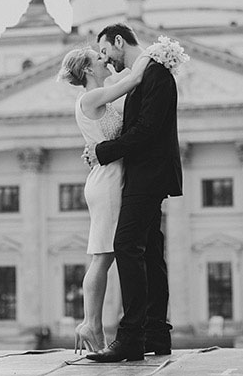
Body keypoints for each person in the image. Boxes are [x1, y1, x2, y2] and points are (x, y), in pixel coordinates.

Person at [84, 23, 182, 363]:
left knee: (127, 245)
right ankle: (156, 334)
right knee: (151, 252)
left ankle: (130, 338)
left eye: (105, 51)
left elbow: (146, 131)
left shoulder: (155, 75)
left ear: (119, 41)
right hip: (146, 172)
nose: (106, 60)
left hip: (147, 174)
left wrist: (103, 151)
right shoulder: (151, 73)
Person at [58, 45, 150, 355]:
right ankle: (90, 323)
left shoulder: (100, 92)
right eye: (100, 58)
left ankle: (92, 324)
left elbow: (123, 77)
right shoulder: (90, 97)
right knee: (103, 255)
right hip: (107, 182)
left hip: (110, 176)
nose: (105, 58)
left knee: (107, 253)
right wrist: (156, 53)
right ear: (87, 70)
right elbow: (133, 79)